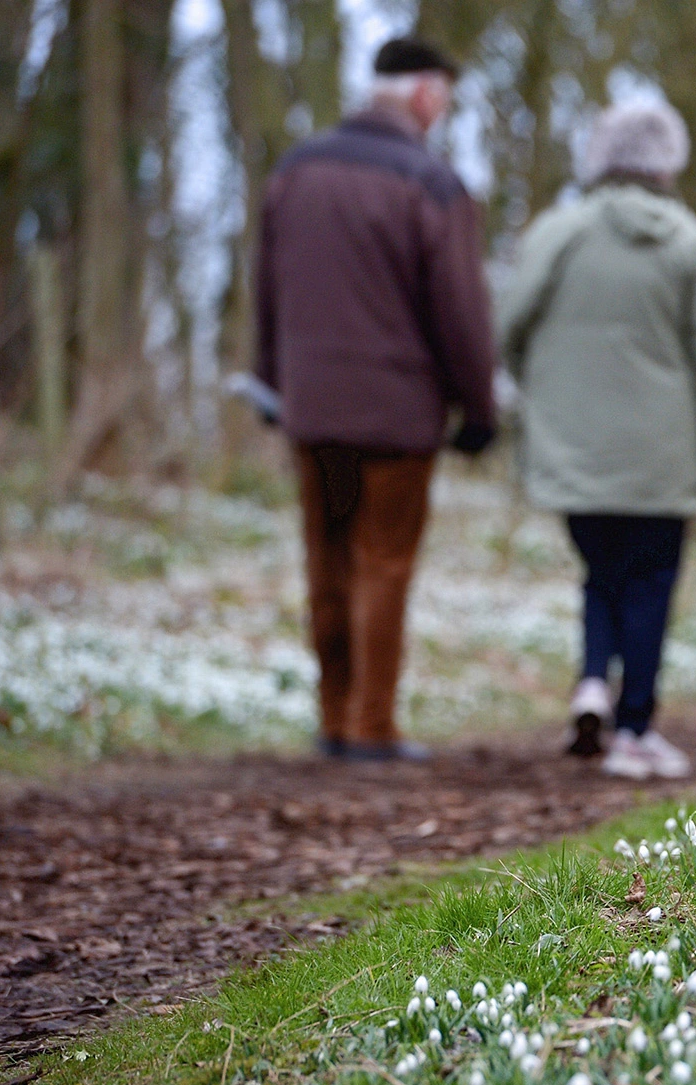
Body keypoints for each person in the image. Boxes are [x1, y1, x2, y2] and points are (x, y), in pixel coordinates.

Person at [497, 97, 696, 781]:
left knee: (601, 572)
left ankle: (592, 680)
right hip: (658, 457)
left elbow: (509, 325)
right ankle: (634, 730)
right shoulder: (690, 242)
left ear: (601, 155)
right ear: (669, 160)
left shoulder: (559, 233)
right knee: (648, 582)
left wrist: (534, 396)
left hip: (571, 448)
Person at [254, 36, 497, 761]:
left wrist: (271, 379)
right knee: (383, 560)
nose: (443, 111)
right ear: (424, 93)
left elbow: (267, 290)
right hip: (399, 414)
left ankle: (333, 716)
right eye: (444, 97)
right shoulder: (431, 183)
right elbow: (460, 312)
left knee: (325, 557)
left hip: (314, 406)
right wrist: (478, 408)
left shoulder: (295, 171)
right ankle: (372, 725)